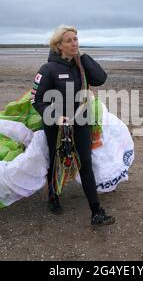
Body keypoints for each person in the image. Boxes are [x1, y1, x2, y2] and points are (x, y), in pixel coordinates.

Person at [31, 25, 115, 226]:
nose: (74, 43)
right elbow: (37, 99)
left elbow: (100, 79)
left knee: (85, 162)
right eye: (68, 40)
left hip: (81, 120)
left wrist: (83, 56)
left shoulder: (80, 65)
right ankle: (53, 198)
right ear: (59, 45)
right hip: (56, 125)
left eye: (76, 39)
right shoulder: (48, 69)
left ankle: (96, 211)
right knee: (57, 161)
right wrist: (56, 117)